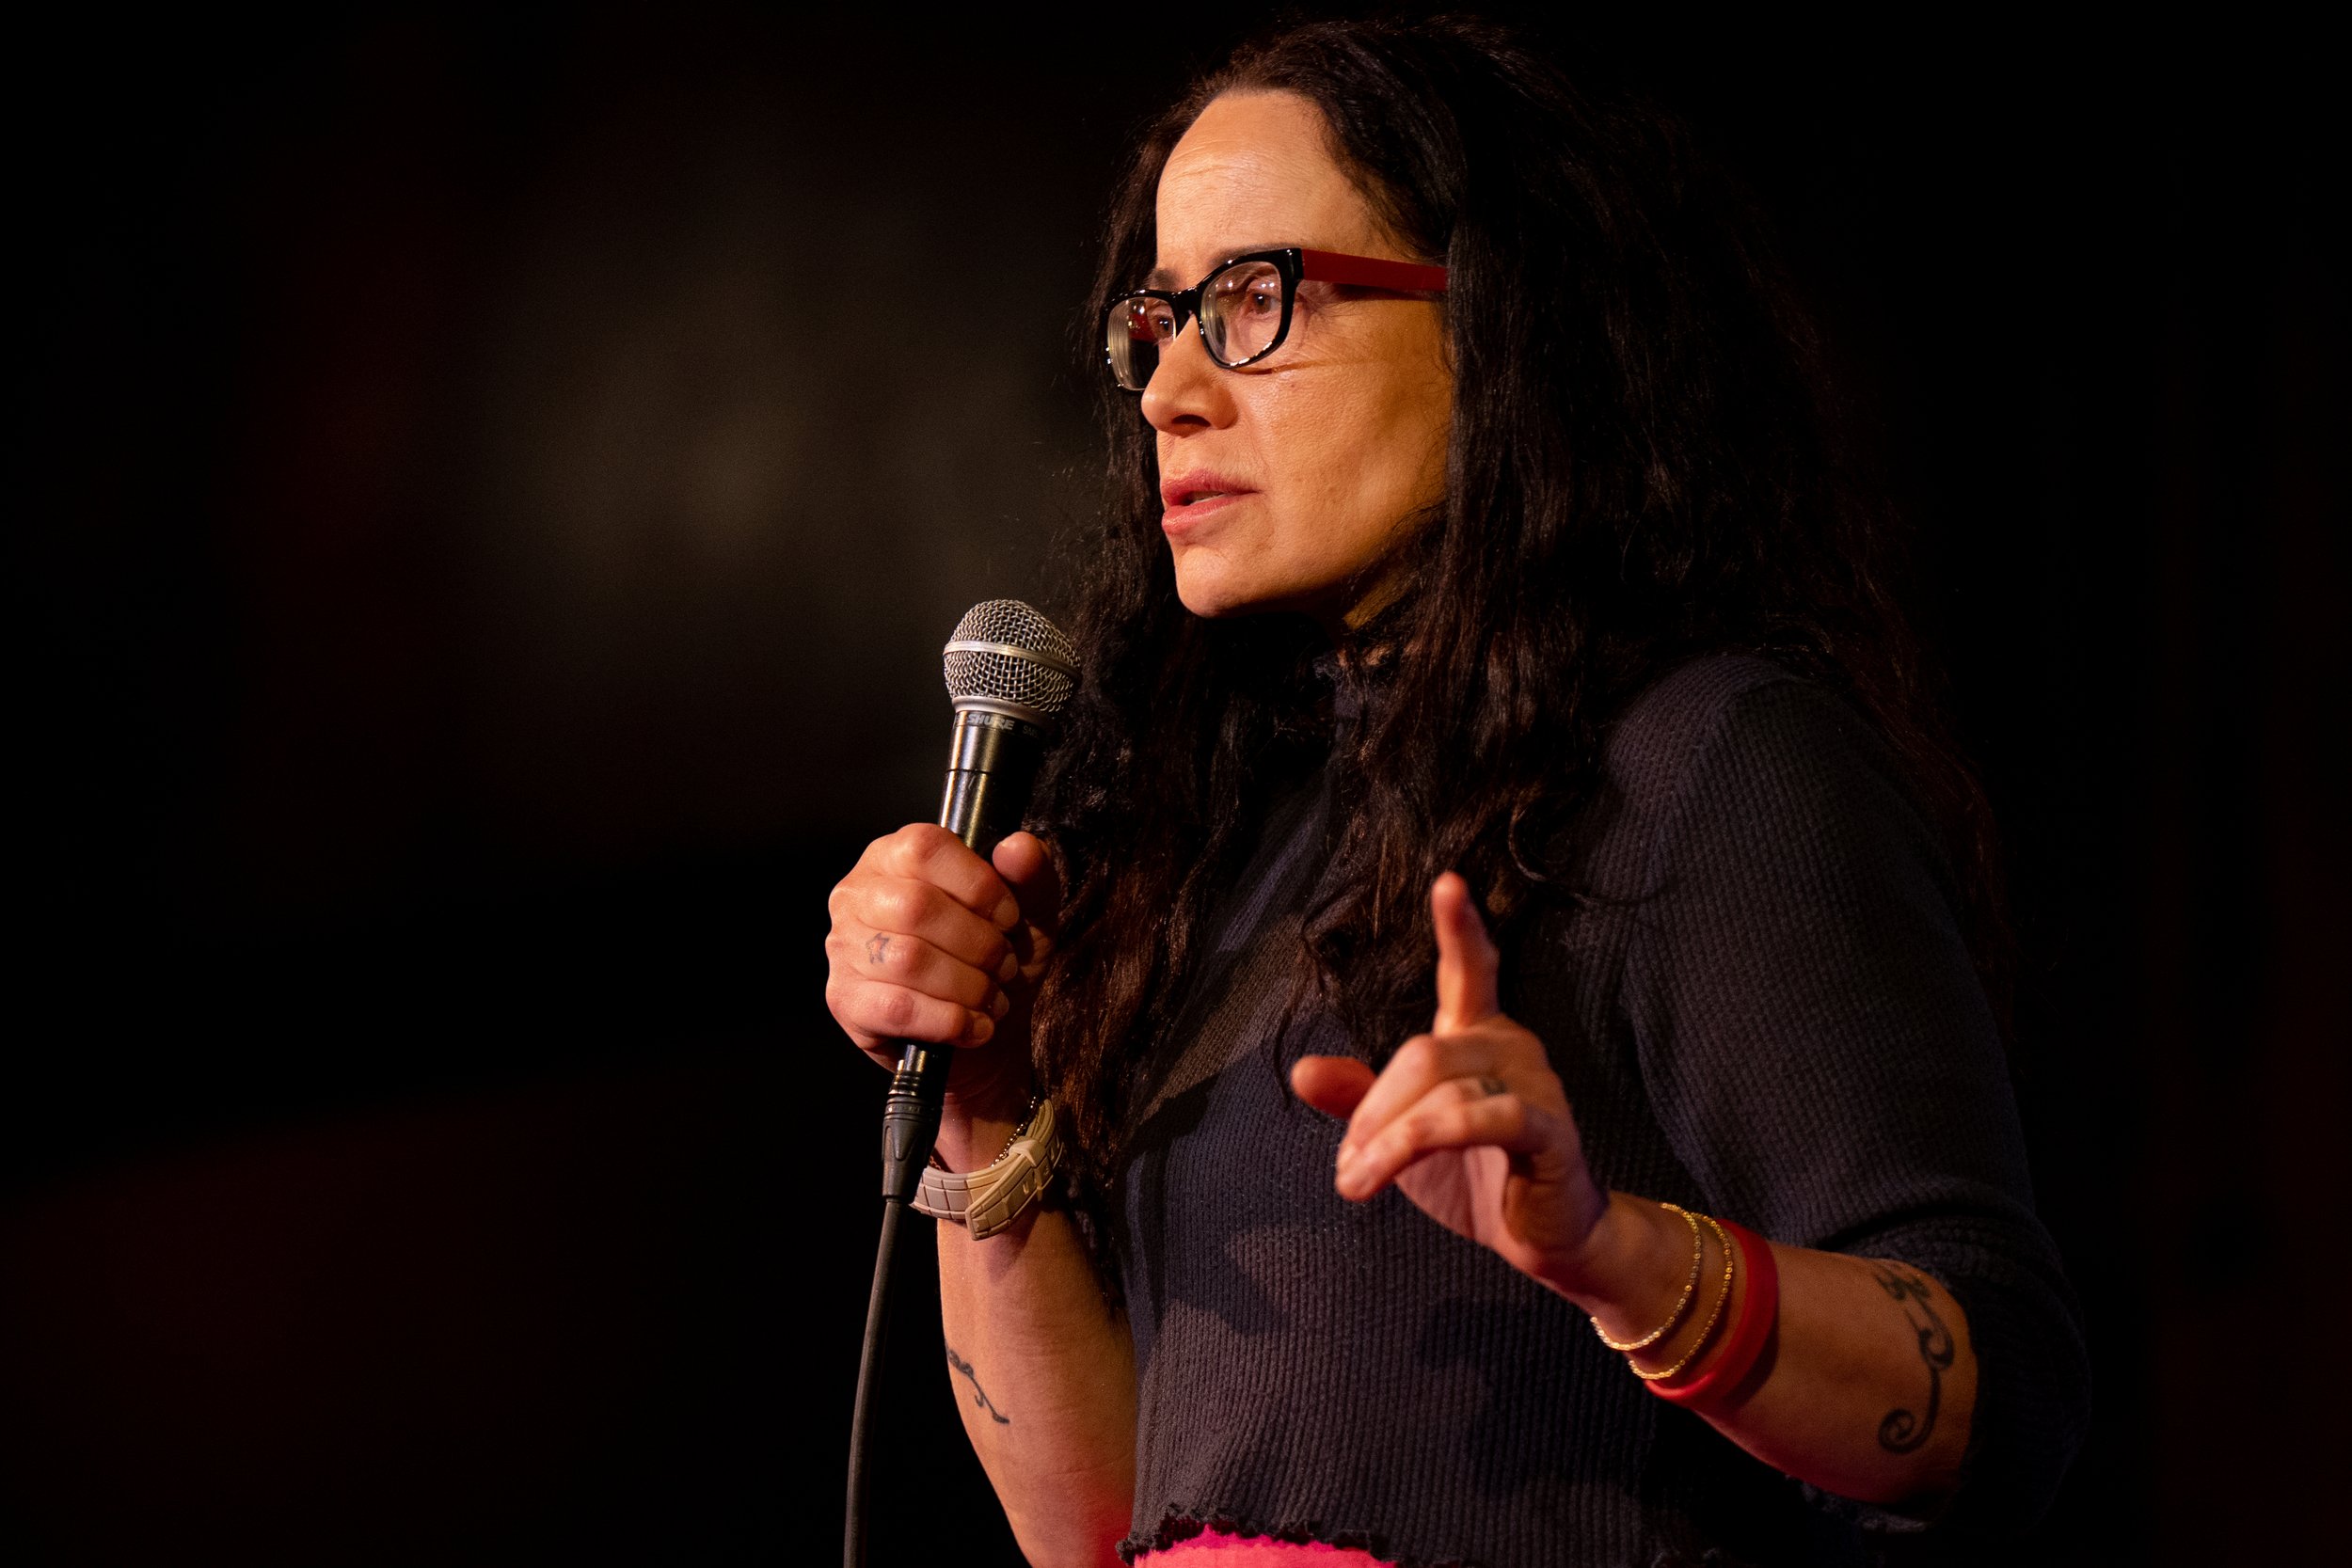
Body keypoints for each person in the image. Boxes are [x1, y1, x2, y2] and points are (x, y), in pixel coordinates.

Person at [823, 17, 2089, 1567]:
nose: (1170, 392)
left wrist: (1618, 1258)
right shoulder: (1229, 835)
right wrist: (986, 1106)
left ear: (1499, 324)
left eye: (1254, 300)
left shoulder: (1709, 764)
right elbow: (1088, 1530)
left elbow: (1999, 1399)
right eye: (1157, 322)